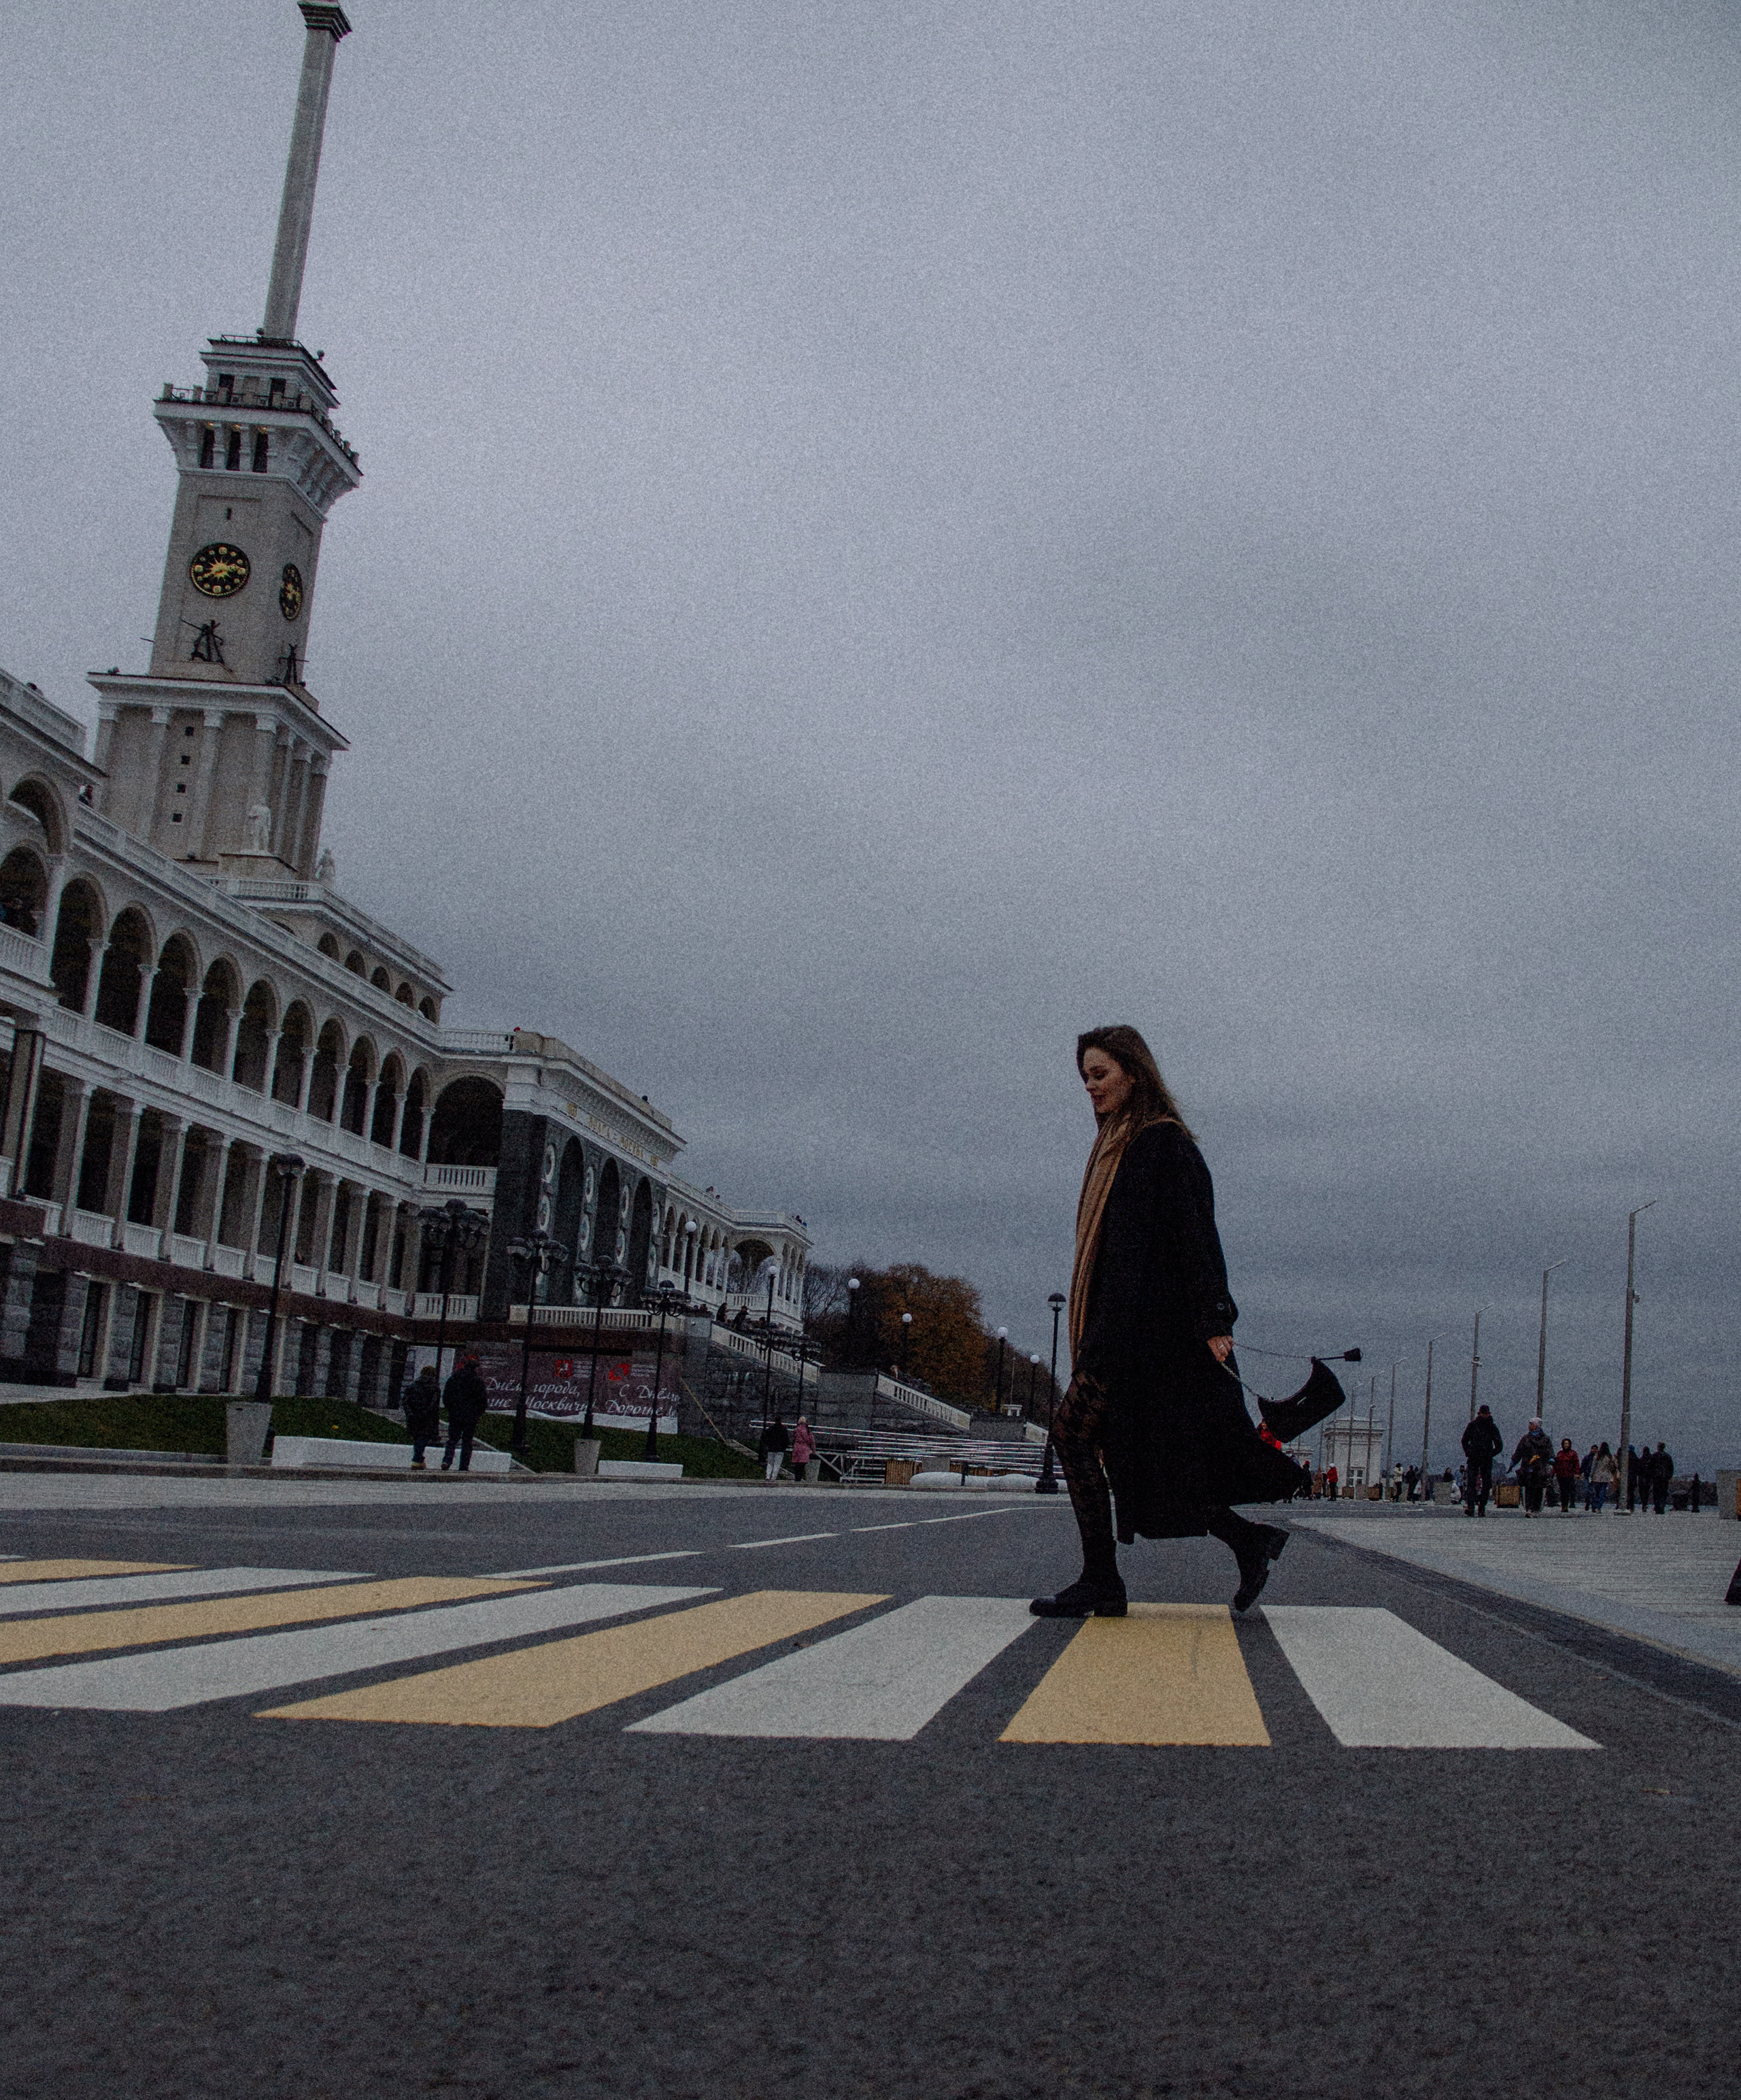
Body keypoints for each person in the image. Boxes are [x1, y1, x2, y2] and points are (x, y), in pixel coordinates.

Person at [1032, 1024, 1306, 1620]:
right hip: (1124, 1330)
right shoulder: (1118, 1146)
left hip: (1142, 1336)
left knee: (1075, 1436)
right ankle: (1247, 1541)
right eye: (1085, 1077)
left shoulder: (1163, 1143)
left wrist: (1216, 1315)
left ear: (1134, 1072)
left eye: (1100, 1074)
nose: (1090, 1087)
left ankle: (1103, 1580)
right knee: (1153, 1459)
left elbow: (1196, 1231)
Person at [440, 1351, 490, 1473]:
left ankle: (447, 1460)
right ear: (475, 1368)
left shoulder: (454, 1378)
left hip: (455, 1414)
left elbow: (447, 1396)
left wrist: (450, 1408)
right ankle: (464, 1466)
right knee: (467, 1441)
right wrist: (478, 1413)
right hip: (471, 1416)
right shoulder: (477, 1381)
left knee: (452, 1439)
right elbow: (482, 1400)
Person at [1461, 1405, 1503, 1517]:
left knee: (1487, 1483)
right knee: (1471, 1482)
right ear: (1479, 1414)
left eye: (1486, 1414)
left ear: (1489, 1414)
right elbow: (1464, 1440)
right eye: (1483, 1414)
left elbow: (1499, 1446)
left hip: (1486, 1459)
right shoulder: (1472, 1426)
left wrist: (1490, 1454)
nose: (1485, 1415)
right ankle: (1470, 1507)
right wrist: (1469, 1452)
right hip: (1474, 1458)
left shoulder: (1492, 1427)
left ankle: (1482, 1507)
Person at [402, 1363, 441, 1469]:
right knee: (423, 1437)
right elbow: (435, 1405)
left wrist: (410, 1413)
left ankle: (419, 1459)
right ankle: (417, 1459)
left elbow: (405, 1401)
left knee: (417, 1437)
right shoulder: (435, 1388)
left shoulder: (413, 1386)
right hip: (427, 1417)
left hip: (414, 1416)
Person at [1512, 1418, 1553, 1516]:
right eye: (1529, 1424)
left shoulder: (1545, 1439)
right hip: (1528, 1466)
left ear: (1537, 1426)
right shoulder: (1526, 1438)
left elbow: (1550, 1451)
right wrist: (1513, 1462)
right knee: (1528, 1487)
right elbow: (1519, 1452)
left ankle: (1537, 1509)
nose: (1529, 1426)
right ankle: (1529, 1508)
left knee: (1538, 1488)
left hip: (1540, 1467)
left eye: (1532, 1424)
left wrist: (1551, 1460)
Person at [1552, 1437, 1582, 1515]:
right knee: (1563, 1490)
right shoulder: (1560, 1454)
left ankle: (1567, 1504)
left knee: (1568, 1490)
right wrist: (1552, 1473)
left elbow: (1577, 1464)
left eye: (1567, 1444)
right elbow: (1556, 1465)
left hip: (1569, 1474)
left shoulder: (1573, 1454)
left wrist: (1578, 1473)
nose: (1566, 1445)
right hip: (1560, 1475)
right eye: (1565, 1444)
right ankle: (1563, 1505)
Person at [759, 1414, 790, 1482]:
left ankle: (768, 1476)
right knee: (777, 1464)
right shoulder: (783, 1429)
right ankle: (773, 1477)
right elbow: (786, 1440)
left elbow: (764, 1437)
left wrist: (768, 1444)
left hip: (771, 1448)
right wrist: (784, 1447)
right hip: (780, 1449)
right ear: (781, 1421)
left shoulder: (771, 1429)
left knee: (770, 1463)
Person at [1647, 1441, 1675, 1514]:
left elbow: (1649, 1467)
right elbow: (1671, 1468)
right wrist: (1669, 1476)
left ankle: (1658, 1507)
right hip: (1664, 1478)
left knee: (1656, 1493)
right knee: (1663, 1493)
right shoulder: (1668, 1456)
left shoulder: (1654, 1456)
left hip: (1657, 1478)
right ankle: (1662, 1506)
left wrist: (1651, 1475)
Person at [1589, 1441, 1616, 1514]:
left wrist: (1591, 1476)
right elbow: (1613, 1467)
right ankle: (1599, 1507)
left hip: (1597, 1476)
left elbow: (1593, 1467)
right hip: (1606, 1477)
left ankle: (1594, 1506)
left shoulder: (1598, 1456)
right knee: (1602, 1493)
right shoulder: (1610, 1457)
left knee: (1596, 1492)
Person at [791, 1414, 817, 1480]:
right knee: (802, 1464)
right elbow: (811, 1441)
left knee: (797, 1463)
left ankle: (797, 1478)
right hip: (805, 1447)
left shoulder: (796, 1430)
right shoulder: (808, 1431)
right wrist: (813, 1450)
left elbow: (793, 1437)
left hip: (797, 1447)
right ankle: (800, 1477)